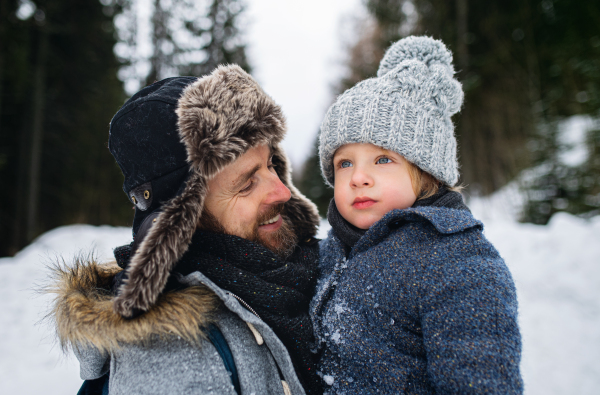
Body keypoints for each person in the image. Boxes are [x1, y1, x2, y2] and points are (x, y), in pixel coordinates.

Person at [48, 65, 323, 395]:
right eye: (248, 184)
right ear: (181, 220)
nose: (283, 192)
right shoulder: (174, 366)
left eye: (271, 165)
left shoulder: (300, 271)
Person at [310, 36, 523, 394]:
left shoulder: (458, 265)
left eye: (382, 159)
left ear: (426, 171)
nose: (358, 177)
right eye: (344, 163)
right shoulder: (333, 250)